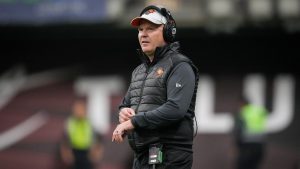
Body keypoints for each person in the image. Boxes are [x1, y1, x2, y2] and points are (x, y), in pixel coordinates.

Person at [111, 5, 199, 169]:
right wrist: (124, 113)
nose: (143, 34)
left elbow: (175, 108)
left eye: (150, 29)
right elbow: (126, 104)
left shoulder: (180, 66)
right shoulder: (139, 71)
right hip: (142, 157)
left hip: (170, 157)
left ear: (167, 32)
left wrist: (133, 122)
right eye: (140, 29)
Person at [60, 99, 103, 169]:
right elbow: (65, 139)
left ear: (85, 110)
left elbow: (98, 139)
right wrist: (65, 153)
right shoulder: (70, 123)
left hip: (87, 152)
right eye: (77, 109)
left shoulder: (90, 123)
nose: (79, 112)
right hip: (73, 152)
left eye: (81, 109)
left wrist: (97, 152)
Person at [233, 96, 268, 169]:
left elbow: (238, 130)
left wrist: (237, 145)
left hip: (247, 146)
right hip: (260, 145)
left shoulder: (242, 112)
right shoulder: (259, 111)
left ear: (241, 103)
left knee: (242, 166)